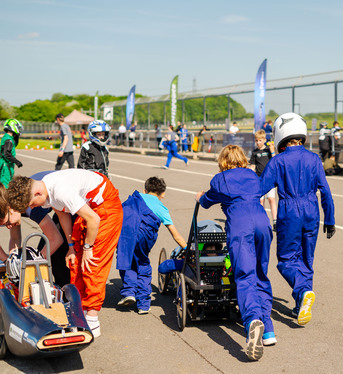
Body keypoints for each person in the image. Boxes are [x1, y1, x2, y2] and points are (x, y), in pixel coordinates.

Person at [6, 169, 124, 338]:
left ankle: (92, 318)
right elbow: (63, 215)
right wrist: (71, 246)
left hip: (105, 208)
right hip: (90, 208)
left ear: (38, 192)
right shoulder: (46, 189)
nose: (33, 208)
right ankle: (80, 308)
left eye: (32, 203)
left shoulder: (61, 191)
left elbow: (94, 220)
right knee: (74, 260)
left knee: (93, 264)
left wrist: (89, 247)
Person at [196, 144, 273, 361]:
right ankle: (268, 330)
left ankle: (252, 321)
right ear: (242, 158)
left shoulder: (221, 179)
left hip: (241, 227)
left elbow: (207, 200)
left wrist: (199, 197)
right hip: (262, 223)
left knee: (245, 277)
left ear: (223, 161)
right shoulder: (252, 175)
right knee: (260, 274)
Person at [260, 112, 336, 327]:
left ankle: (302, 291)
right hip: (312, 210)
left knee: (285, 260)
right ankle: (300, 303)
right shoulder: (314, 158)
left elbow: (259, 189)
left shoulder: (278, 161)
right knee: (306, 260)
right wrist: (329, 219)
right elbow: (326, 192)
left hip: (289, 210)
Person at [116, 177, 187, 314]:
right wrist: (186, 249)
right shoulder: (161, 207)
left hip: (126, 234)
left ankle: (129, 292)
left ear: (144, 190)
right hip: (144, 237)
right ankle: (143, 304)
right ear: (163, 194)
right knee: (142, 263)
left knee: (127, 261)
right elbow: (175, 234)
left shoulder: (133, 200)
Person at [0, 179, 69, 286]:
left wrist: (29, 266)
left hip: (74, 208)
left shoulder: (31, 208)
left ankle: (66, 296)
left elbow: (56, 239)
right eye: (4, 225)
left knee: (56, 259)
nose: (8, 227)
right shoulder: (11, 208)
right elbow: (15, 239)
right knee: (42, 254)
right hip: (61, 211)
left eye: (7, 223)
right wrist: (10, 263)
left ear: (10, 209)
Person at [249, 130, 277, 230]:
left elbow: (274, 160)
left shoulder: (268, 150)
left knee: (271, 199)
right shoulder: (254, 152)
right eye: (256, 141)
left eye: (260, 140)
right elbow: (252, 165)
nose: (258, 143)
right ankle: (263, 221)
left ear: (264, 140)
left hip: (269, 179)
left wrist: (272, 150)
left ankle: (275, 221)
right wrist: (251, 174)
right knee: (261, 201)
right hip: (259, 179)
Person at [0, 119, 23, 188]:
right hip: (6, 165)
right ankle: (4, 198)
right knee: (5, 183)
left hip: (6, 164)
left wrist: (16, 137)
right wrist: (16, 161)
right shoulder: (8, 140)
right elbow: (6, 154)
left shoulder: (8, 138)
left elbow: (14, 145)